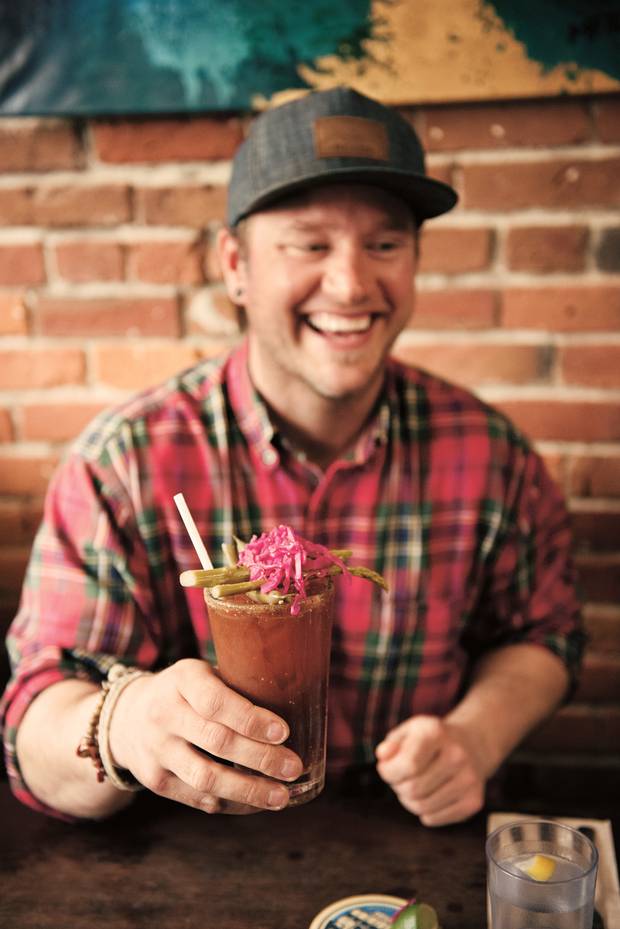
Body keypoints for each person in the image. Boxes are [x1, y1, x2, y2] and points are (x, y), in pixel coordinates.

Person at [0, 87, 583, 826]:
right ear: (236, 264)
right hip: (193, 865)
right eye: (310, 244)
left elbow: (548, 633)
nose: (351, 284)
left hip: (412, 856)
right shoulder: (124, 463)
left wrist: (478, 732)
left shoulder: (492, 454)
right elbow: (33, 720)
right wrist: (123, 724)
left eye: (385, 244)